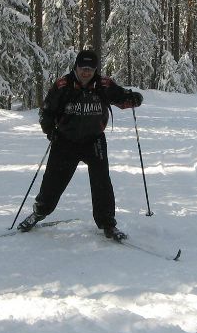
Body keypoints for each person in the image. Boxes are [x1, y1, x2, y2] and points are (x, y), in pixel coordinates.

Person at [15, 48, 143, 240]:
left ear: (95, 70)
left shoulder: (103, 84)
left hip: (94, 141)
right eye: (83, 68)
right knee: (53, 182)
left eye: (90, 69)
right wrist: (49, 130)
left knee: (102, 182)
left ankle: (107, 223)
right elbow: (46, 111)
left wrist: (132, 99)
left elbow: (121, 97)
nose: (86, 73)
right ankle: (39, 212)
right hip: (65, 141)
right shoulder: (62, 85)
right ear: (76, 67)